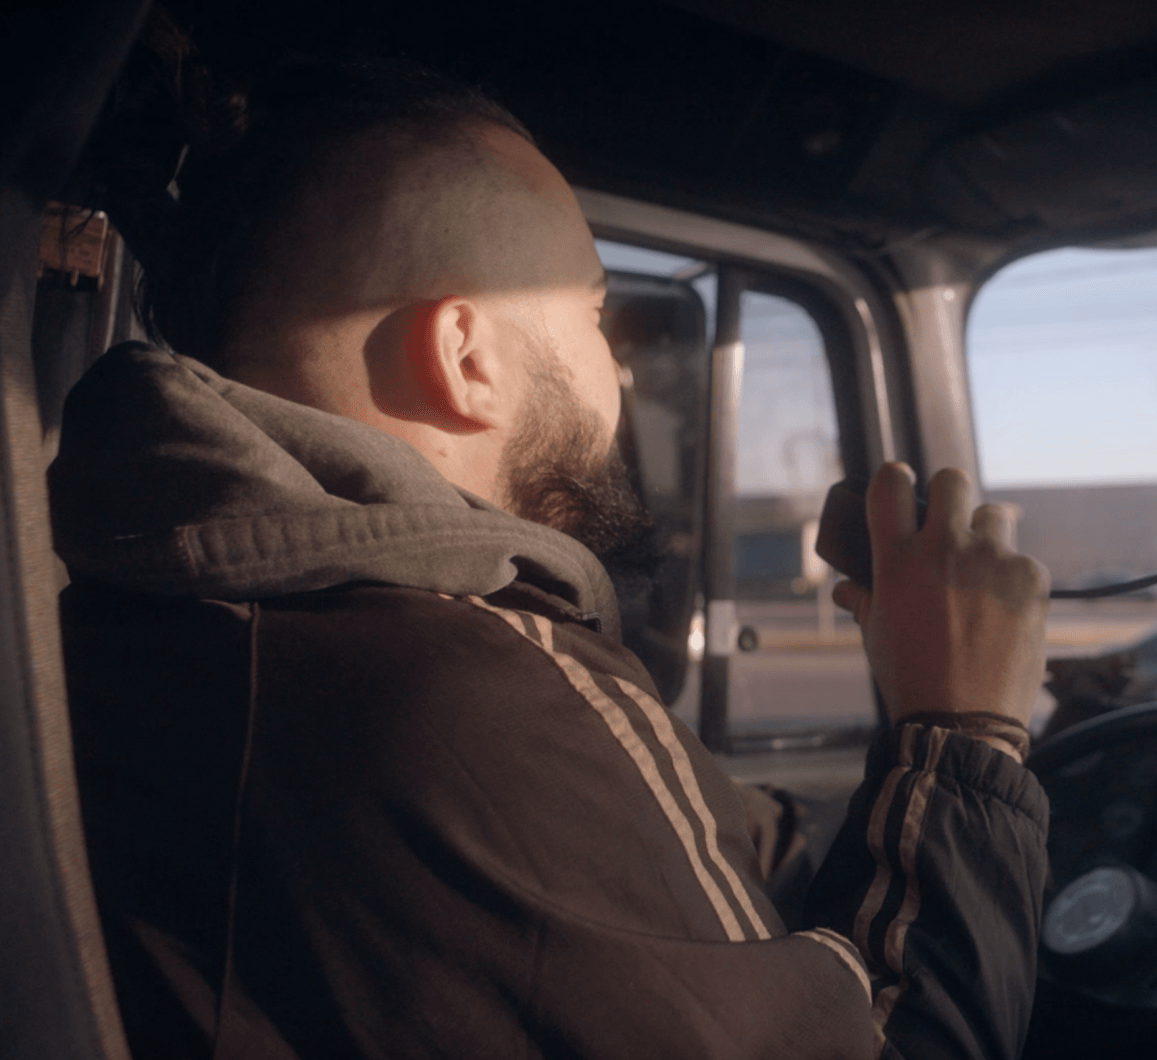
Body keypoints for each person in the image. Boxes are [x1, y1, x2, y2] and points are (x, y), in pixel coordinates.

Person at [53, 57, 1051, 1060]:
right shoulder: (459, 691)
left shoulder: (191, 626)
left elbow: (675, 855)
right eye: (597, 312)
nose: (618, 366)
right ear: (468, 359)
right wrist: (964, 733)